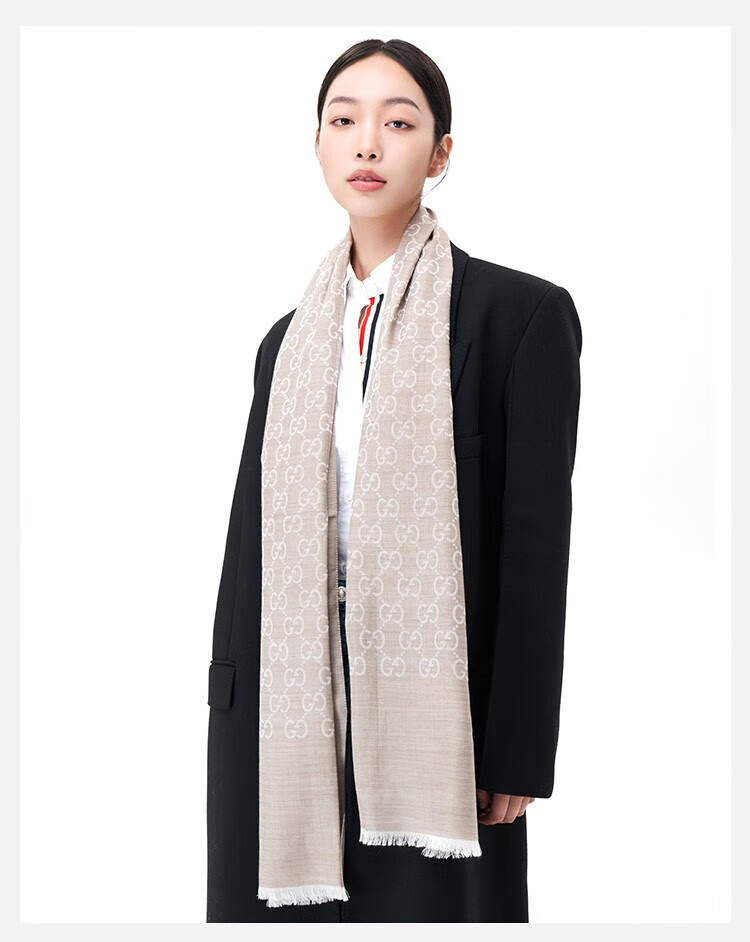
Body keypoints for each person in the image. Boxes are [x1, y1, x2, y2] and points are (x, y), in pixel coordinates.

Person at [206, 38, 582, 923]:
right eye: (344, 120)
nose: (367, 142)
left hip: (437, 707)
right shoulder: (286, 341)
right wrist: (228, 697)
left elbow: (535, 546)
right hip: (281, 703)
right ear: (319, 145)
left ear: (441, 152)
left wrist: (518, 746)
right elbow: (247, 544)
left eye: (399, 122)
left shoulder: (519, 317)